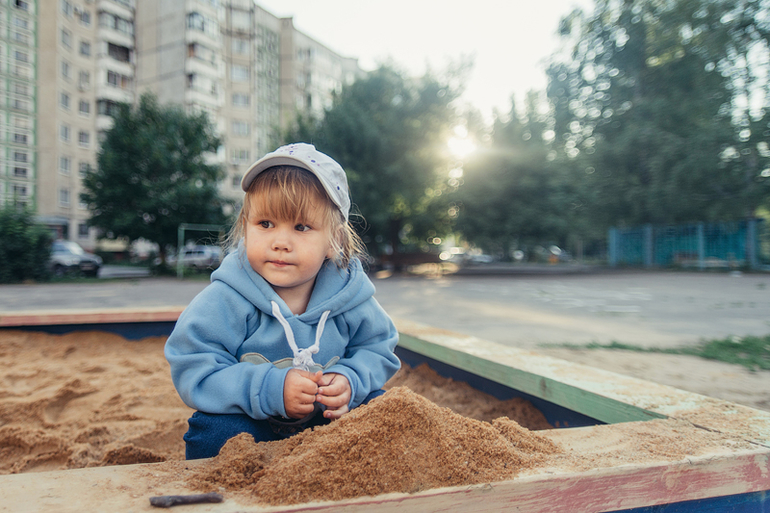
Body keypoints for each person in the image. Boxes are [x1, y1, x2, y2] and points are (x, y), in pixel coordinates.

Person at [165, 143, 401, 460]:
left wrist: (351, 379)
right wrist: (270, 389)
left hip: (330, 423)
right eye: (265, 224)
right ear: (245, 228)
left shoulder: (350, 297)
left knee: (385, 411)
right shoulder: (227, 297)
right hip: (253, 422)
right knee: (213, 434)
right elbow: (193, 364)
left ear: (334, 241)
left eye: (301, 227)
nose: (280, 242)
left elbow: (378, 348)